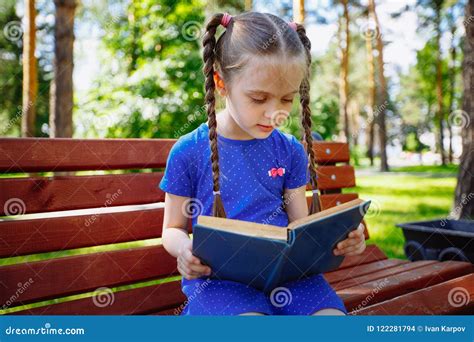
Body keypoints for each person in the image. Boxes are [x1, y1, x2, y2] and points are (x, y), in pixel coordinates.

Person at [159, 11, 366, 316]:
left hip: (290, 278)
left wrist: (343, 239)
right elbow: (172, 229)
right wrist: (184, 249)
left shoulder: (289, 151)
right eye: (258, 99)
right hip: (219, 283)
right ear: (221, 83)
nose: (275, 114)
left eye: (286, 100)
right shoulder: (189, 151)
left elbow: (299, 227)